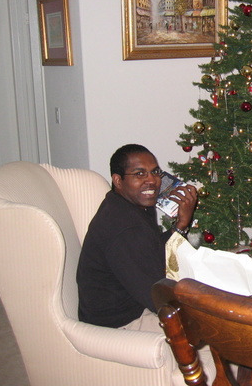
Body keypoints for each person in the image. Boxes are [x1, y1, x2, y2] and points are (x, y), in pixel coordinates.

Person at [76, 144, 217, 382]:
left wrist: (181, 225)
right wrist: (206, 308)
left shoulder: (128, 205)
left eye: (155, 172)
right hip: (121, 323)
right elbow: (157, 299)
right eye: (139, 174)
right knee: (221, 342)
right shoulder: (126, 228)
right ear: (118, 180)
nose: (151, 180)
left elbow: (150, 252)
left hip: (132, 303)